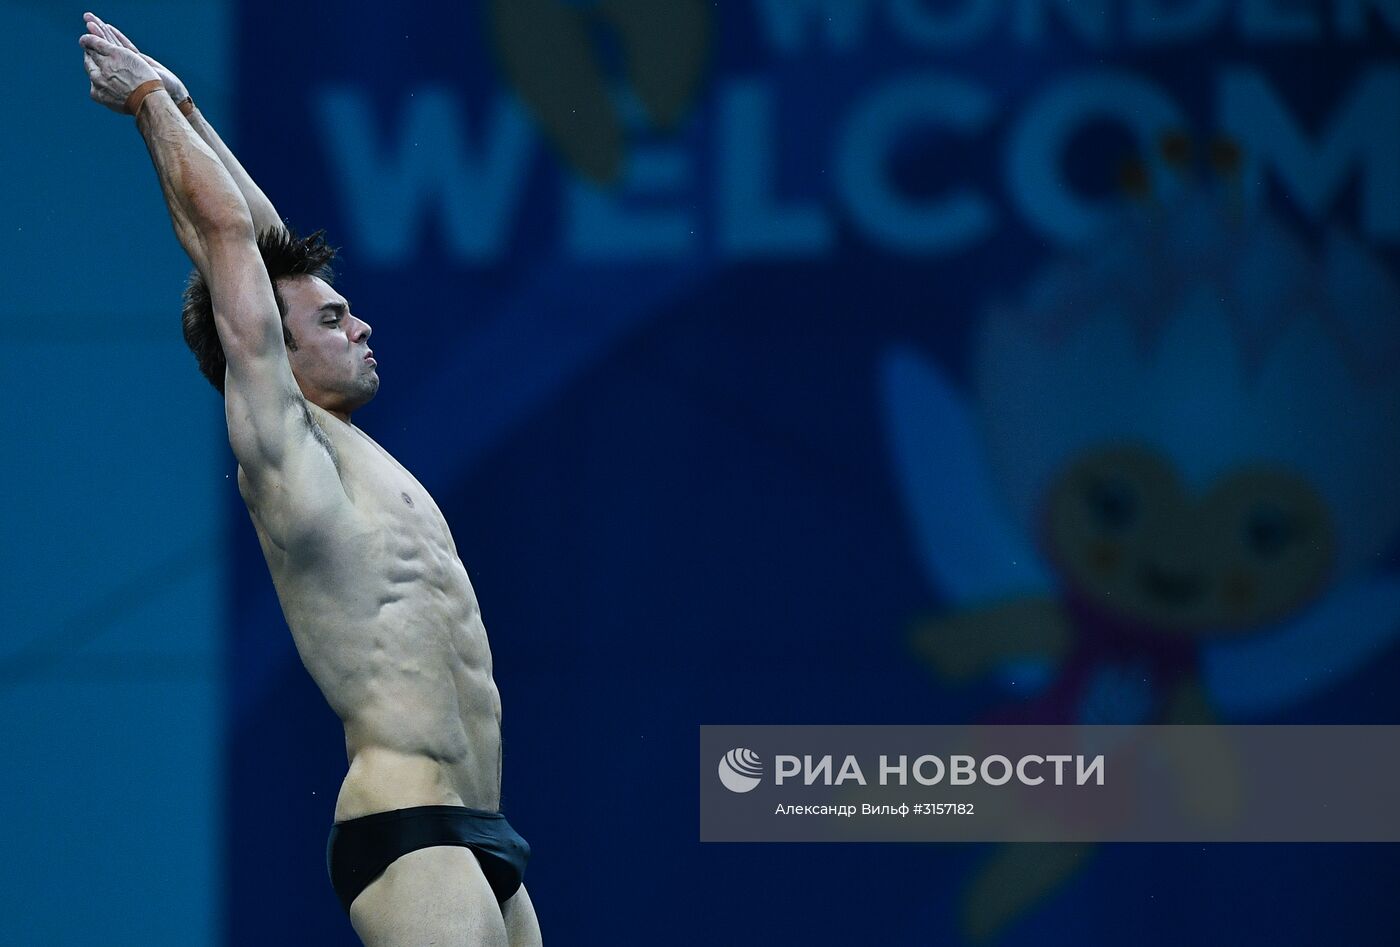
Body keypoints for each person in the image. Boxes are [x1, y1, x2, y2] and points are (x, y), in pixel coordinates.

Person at [79, 13, 541, 946]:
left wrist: (188, 103)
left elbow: (264, 242)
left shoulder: (349, 448)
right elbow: (227, 246)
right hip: (406, 826)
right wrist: (148, 100)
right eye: (334, 319)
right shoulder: (283, 446)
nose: (361, 324)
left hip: (484, 829)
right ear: (272, 352)